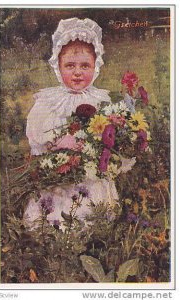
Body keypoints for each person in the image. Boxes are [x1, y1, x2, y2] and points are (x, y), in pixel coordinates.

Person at [23, 18, 119, 229]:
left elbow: (110, 137)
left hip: (90, 175)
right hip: (60, 177)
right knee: (57, 216)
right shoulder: (48, 101)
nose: (77, 72)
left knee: (92, 215)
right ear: (58, 66)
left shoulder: (101, 101)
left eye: (85, 66)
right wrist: (57, 142)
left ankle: (94, 237)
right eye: (70, 66)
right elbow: (37, 138)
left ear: (96, 66)